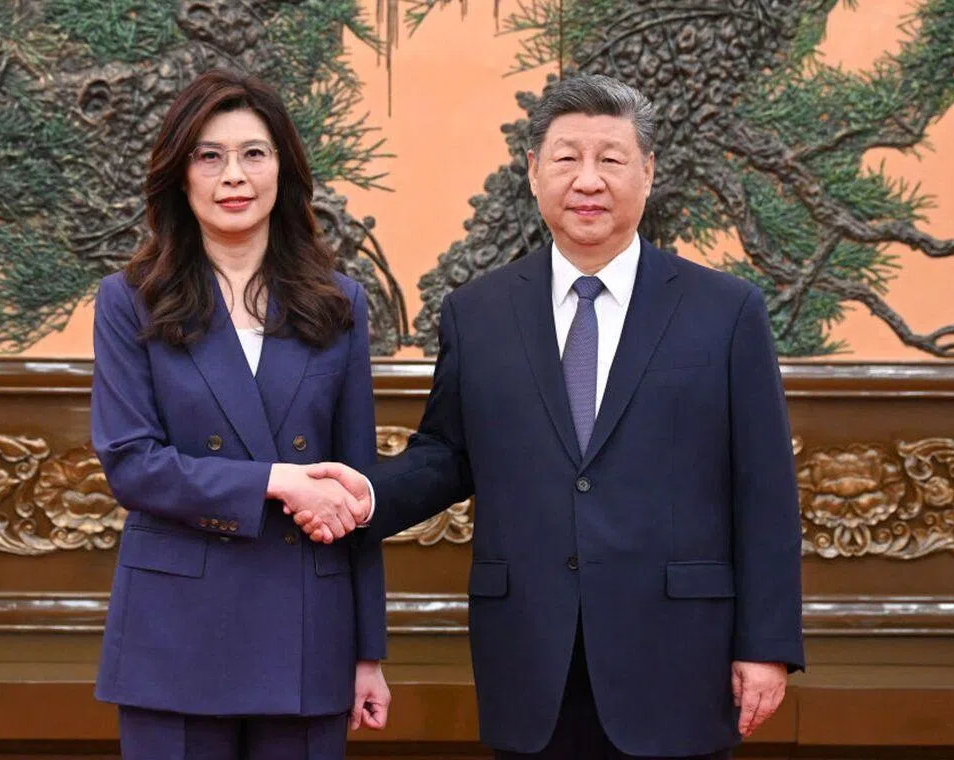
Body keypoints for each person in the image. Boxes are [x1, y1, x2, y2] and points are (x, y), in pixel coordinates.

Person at [296, 74, 804, 759]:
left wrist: (767, 648)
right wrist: (367, 496)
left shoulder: (726, 311)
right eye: (566, 158)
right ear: (533, 173)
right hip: (532, 652)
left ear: (648, 173)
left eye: (612, 159)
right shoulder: (478, 313)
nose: (588, 180)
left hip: (680, 655)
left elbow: (765, 488)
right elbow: (448, 453)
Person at [90, 69, 389, 760]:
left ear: (284, 168)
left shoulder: (338, 302)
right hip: (175, 636)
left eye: (255, 153)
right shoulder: (129, 299)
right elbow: (132, 464)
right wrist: (276, 481)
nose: (234, 175)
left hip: (309, 633)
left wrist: (368, 651)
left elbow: (354, 484)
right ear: (180, 174)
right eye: (209, 155)